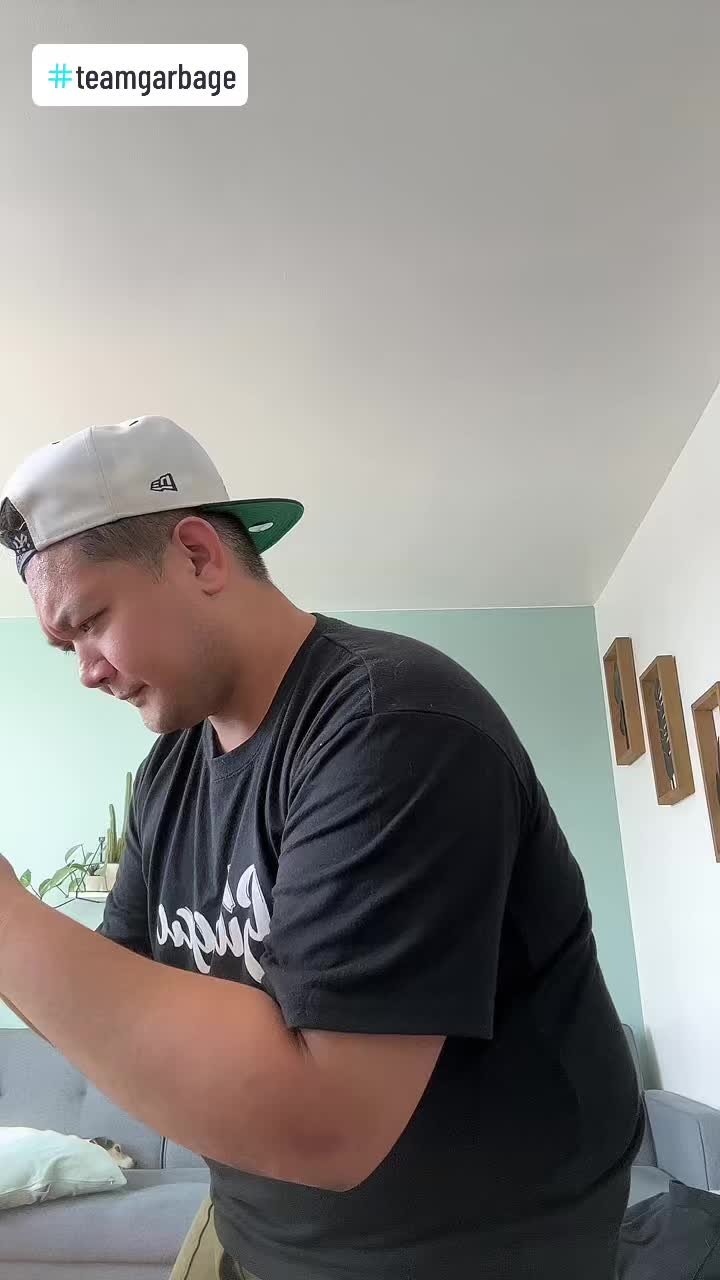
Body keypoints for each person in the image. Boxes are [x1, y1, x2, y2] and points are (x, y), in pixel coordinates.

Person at [0, 415, 643, 1280]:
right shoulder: (166, 777)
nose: (87, 669)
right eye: (65, 647)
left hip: (471, 1254)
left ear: (197, 556)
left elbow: (328, 1122)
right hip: (256, 1235)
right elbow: (115, 1003)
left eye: (90, 621)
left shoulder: (392, 725)